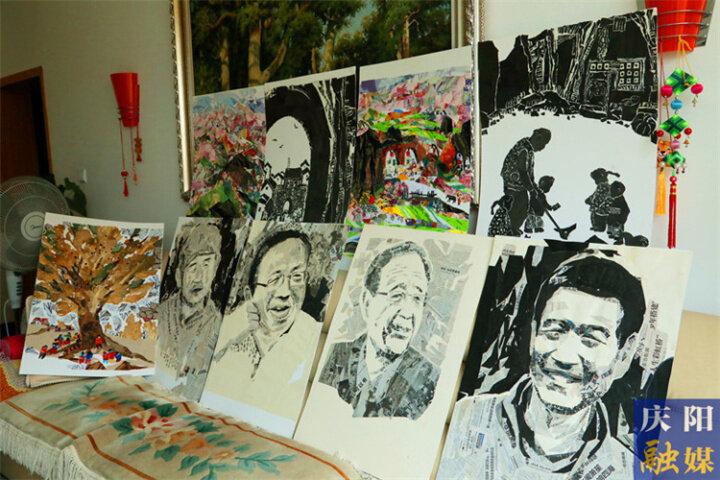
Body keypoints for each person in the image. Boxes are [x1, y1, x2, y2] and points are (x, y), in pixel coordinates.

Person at [438, 256, 645, 479]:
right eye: (554, 331)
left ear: (624, 355)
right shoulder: (464, 418)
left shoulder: (628, 473)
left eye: (591, 339)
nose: (564, 356)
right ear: (533, 334)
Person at [319, 241, 440, 420]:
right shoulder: (334, 356)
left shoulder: (430, 379)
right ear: (367, 303)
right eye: (396, 295)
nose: (407, 312)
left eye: (417, 298)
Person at [212, 230, 318, 382]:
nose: (285, 292)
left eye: (297, 277)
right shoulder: (228, 340)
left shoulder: (312, 337)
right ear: (249, 294)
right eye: (273, 279)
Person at [156, 222, 223, 400]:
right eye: (192, 266)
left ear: (214, 271)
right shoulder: (161, 314)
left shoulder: (218, 325)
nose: (199, 277)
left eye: (206, 265)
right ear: (179, 274)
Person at [500, 128, 551, 234]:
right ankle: (509, 230)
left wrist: (536, 190)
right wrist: (531, 190)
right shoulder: (524, 149)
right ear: (538, 138)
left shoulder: (529, 150)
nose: (543, 148)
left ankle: (513, 229)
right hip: (513, 183)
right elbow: (523, 172)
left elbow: (529, 174)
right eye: (543, 144)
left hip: (520, 184)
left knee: (523, 208)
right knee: (516, 207)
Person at [585, 168, 620, 232]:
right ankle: (601, 227)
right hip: (609, 208)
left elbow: (598, 197)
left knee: (594, 211)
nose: (595, 182)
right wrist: (590, 199)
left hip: (605, 208)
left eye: (595, 179)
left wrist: (591, 202)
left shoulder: (602, 186)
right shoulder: (606, 185)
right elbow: (595, 195)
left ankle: (598, 227)